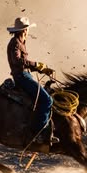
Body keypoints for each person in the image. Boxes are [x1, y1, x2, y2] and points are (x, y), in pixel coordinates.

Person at [6, 16, 58, 145]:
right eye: (28, 29)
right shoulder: (15, 43)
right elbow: (17, 61)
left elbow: (22, 64)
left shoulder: (20, 42)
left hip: (25, 75)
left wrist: (42, 69)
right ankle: (38, 133)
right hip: (22, 77)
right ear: (24, 30)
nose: (28, 32)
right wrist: (37, 65)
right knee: (47, 101)